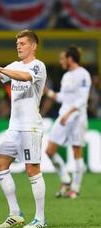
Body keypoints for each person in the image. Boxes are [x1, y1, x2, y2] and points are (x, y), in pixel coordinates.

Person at [0, 30, 47, 228]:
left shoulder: (38, 66)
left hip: (30, 128)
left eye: (23, 43)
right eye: (17, 43)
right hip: (14, 127)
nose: (18, 46)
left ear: (33, 46)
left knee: (32, 169)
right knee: (0, 165)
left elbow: (25, 77)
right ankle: (15, 213)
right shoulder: (14, 65)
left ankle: (40, 218)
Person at [45, 46, 91, 199]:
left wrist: (69, 113)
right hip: (63, 117)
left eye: (62, 58)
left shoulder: (83, 74)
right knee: (49, 151)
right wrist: (47, 92)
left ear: (70, 59)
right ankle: (65, 179)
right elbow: (62, 98)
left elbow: (82, 99)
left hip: (77, 118)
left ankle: (75, 188)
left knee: (76, 152)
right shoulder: (66, 76)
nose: (61, 61)